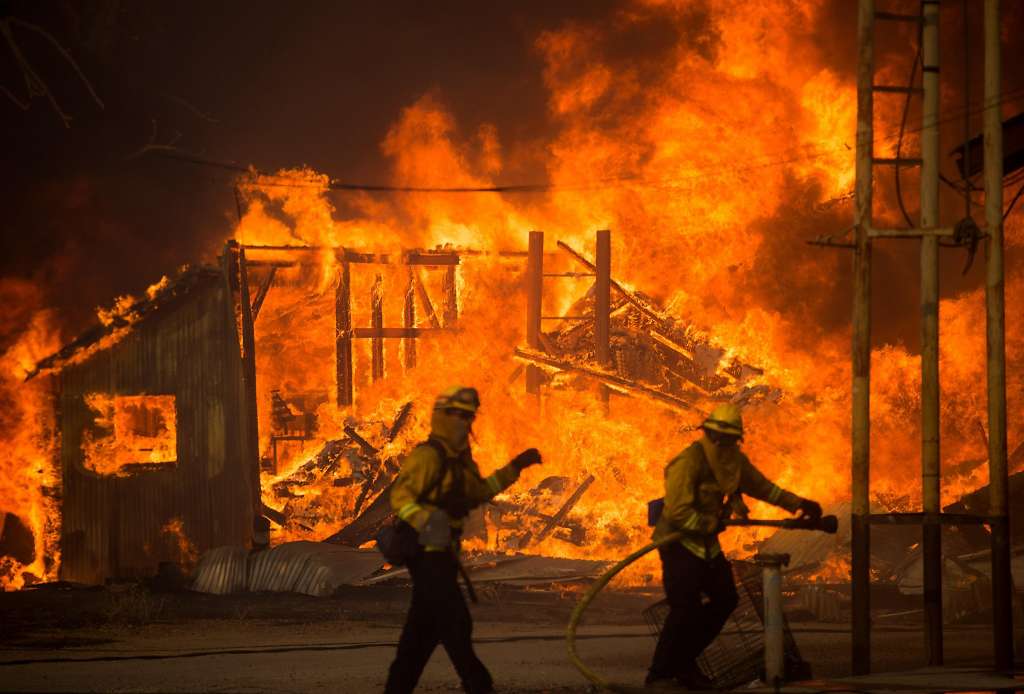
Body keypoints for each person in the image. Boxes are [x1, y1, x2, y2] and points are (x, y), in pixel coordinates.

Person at [647, 403, 822, 690]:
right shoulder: (688, 462)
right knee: (684, 608)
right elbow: (677, 511)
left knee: (726, 599)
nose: (724, 443)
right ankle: (659, 674)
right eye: (719, 437)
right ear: (709, 434)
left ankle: (683, 664)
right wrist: (706, 524)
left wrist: (799, 504)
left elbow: (764, 488)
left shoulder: (734, 462)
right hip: (678, 544)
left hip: (708, 547)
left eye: (730, 439)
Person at [385, 385, 542, 694]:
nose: (465, 423)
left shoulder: (461, 461)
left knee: (420, 637)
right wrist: (428, 520)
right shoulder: (427, 456)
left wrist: (516, 467)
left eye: (469, 417)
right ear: (444, 417)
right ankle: (479, 685)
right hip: (426, 556)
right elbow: (400, 497)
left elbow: (480, 492)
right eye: (459, 416)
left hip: (444, 555)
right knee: (456, 626)